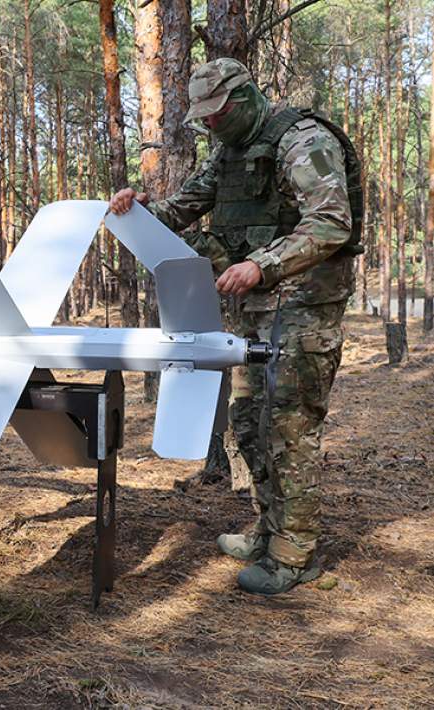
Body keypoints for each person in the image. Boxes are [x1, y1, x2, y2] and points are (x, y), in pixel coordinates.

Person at [109, 58, 363, 595]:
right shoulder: (230, 152)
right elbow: (181, 209)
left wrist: (262, 265)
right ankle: (268, 531)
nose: (209, 126)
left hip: (303, 307)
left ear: (245, 99)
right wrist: (136, 207)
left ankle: (294, 556)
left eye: (218, 115)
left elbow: (332, 222)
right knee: (248, 423)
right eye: (203, 119)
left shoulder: (303, 141)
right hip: (255, 311)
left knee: (289, 427)